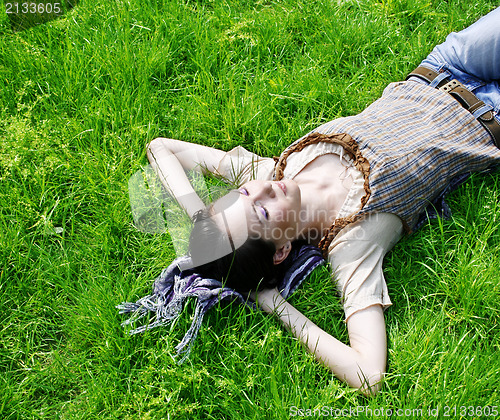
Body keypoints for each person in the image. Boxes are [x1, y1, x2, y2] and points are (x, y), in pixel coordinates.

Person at [145, 7, 500, 395]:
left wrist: (201, 218)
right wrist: (272, 302)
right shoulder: (352, 244)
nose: (264, 190)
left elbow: (162, 148)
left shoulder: (266, 172)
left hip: (445, 67)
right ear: (281, 249)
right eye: (261, 211)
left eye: (243, 193)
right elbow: (368, 375)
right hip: (491, 120)